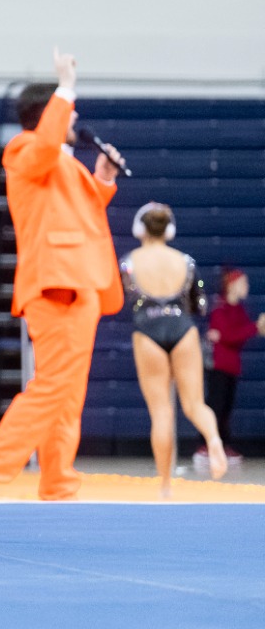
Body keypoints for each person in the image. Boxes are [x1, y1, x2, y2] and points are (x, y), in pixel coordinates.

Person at [0, 52, 122, 502]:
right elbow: (46, 150)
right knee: (52, 388)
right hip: (57, 285)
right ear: (48, 113)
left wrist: (102, 180)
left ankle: (58, 484)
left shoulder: (65, 162)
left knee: (67, 395)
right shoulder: (26, 150)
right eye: (67, 108)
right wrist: (65, 86)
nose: (75, 115)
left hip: (80, 284)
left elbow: (80, 218)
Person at [117, 203, 224, 494]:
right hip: (182, 329)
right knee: (195, 405)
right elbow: (199, 304)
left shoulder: (129, 261)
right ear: (169, 229)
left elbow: (119, 299)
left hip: (147, 330)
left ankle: (165, 486)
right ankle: (213, 439)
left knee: (162, 411)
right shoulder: (185, 261)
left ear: (140, 229)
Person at [204, 268, 265, 468]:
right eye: (244, 283)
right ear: (232, 285)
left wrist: (251, 329)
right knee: (216, 406)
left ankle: (222, 444)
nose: (247, 287)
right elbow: (230, 335)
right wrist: (254, 328)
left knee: (226, 409)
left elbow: (233, 337)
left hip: (231, 366)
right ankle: (206, 446)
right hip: (219, 366)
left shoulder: (238, 310)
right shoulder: (220, 309)